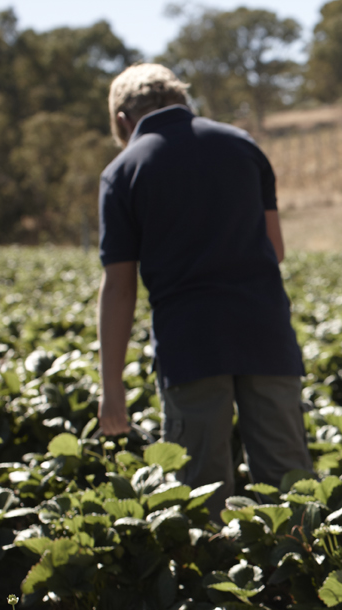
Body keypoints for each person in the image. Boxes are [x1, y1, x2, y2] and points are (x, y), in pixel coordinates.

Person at [95, 63, 311, 515]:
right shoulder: (242, 146)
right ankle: (296, 578)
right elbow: (275, 248)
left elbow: (119, 288)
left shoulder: (123, 170)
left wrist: (111, 388)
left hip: (190, 344)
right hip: (264, 331)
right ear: (183, 101)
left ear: (122, 121)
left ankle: (214, 581)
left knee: (200, 491)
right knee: (288, 482)